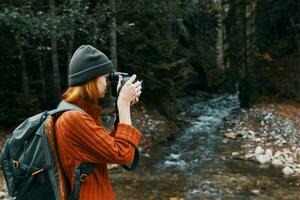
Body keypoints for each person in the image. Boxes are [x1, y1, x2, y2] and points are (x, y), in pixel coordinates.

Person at [55, 45, 142, 200]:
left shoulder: (80, 112)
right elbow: (123, 155)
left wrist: (121, 108)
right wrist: (123, 105)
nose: (108, 83)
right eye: (105, 78)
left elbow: (109, 147)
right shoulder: (73, 119)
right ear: (91, 79)